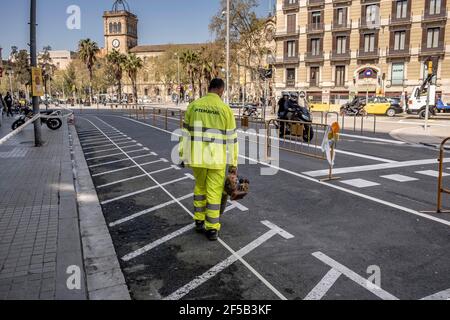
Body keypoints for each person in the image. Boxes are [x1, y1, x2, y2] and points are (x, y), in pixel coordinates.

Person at [179, 78, 239, 241]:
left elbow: (185, 133)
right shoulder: (225, 109)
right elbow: (232, 139)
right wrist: (233, 163)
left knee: (200, 188)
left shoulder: (194, 106)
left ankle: (199, 221)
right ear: (221, 90)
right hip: (216, 159)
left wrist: (182, 155)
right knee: (214, 192)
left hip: (197, 157)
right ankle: (212, 228)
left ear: (209, 88)